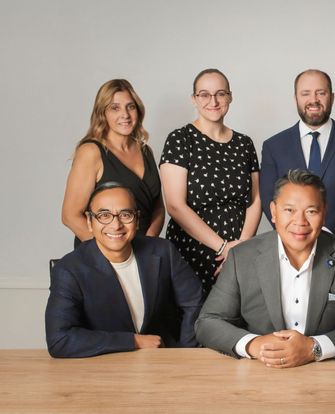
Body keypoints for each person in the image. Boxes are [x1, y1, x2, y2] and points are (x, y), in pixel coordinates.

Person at [195, 169, 335, 368]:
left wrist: (314, 348)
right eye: (289, 210)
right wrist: (254, 345)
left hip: (326, 375)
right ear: (273, 212)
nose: (300, 222)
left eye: (311, 211)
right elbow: (208, 322)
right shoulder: (242, 257)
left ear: (324, 214)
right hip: (258, 373)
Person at [46, 182, 204, 358]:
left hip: (163, 363)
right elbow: (59, 339)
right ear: (90, 222)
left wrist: (186, 353)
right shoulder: (69, 270)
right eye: (104, 215)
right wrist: (134, 341)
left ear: (136, 220)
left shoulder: (164, 251)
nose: (116, 225)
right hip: (103, 368)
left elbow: (194, 302)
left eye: (125, 214)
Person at [160, 69, 261, 296]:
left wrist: (240, 248)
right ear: (194, 99)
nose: (213, 101)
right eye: (204, 94)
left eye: (220, 94)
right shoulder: (180, 139)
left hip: (240, 250)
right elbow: (175, 206)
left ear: (230, 97)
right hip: (193, 251)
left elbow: (255, 200)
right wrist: (223, 247)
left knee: (238, 323)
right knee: (194, 322)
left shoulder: (245, 143)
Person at [260, 69, 335, 247]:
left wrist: (323, 234)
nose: (313, 100)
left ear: (332, 97)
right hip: (289, 248)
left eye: (321, 93)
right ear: (295, 98)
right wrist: (298, 233)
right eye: (305, 93)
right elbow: (269, 199)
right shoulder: (273, 146)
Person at [62, 79, 164, 245]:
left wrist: (148, 245)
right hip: (103, 253)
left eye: (130, 107)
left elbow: (158, 208)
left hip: (142, 254)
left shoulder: (146, 151)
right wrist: (111, 253)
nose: (125, 114)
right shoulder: (91, 152)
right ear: (103, 113)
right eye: (115, 108)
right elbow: (70, 216)